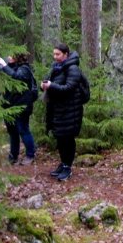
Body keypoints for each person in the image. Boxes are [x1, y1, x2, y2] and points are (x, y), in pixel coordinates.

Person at [41, 43, 85, 181]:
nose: (55, 57)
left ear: (66, 54)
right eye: (54, 54)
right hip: (59, 110)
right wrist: (44, 85)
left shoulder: (73, 68)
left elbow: (69, 88)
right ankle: (63, 163)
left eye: (58, 54)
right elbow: (54, 85)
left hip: (70, 110)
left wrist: (52, 85)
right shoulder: (57, 68)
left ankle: (68, 167)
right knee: (60, 138)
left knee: (67, 139)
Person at [0, 52, 37, 165]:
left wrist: (4, 65)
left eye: (11, 56)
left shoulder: (25, 69)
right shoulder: (9, 67)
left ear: (18, 57)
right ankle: (13, 155)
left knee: (23, 130)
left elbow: (17, 77)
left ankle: (30, 155)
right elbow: (1, 75)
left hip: (22, 106)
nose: (8, 57)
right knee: (12, 132)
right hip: (9, 105)